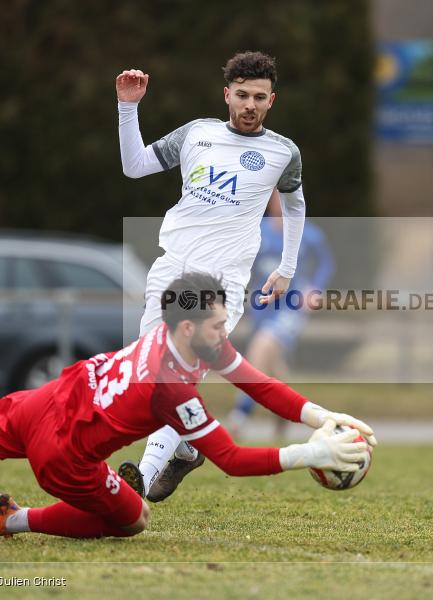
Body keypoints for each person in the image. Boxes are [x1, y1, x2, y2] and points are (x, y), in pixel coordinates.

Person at [0, 273, 376, 539]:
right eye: (218, 322)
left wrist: (319, 416)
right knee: (135, 519)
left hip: (44, 401)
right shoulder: (172, 387)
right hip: (63, 453)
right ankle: (13, 521)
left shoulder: (181, 339)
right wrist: (311, 452)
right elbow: (232, 460)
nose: (225, 330)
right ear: (189, 327)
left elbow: (257, 383)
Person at [116, 51, 308, 497]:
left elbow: (296, 206)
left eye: (259, 97)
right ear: (227, 94)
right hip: (171, 268)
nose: (249, 105)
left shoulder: (282, 152)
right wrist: (128, 107)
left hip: (221, 282)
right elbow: (135, 166)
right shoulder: (197, 134)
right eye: (242, 95)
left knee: (177, 376)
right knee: (148, 375)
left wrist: (287, 269)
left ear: (271, 101)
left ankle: (140, 479)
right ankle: (184, 449)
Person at [227, 190, 335, 439]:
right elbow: (242, 263)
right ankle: (287, 412)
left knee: (262, 345)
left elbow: (326, 263)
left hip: (291, 307)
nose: (281, 202)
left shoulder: (308, 234)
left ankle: (240, 413)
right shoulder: (257, 230)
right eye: (276, 196)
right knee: (273, 367)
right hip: (262, 307)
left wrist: (315, 288)